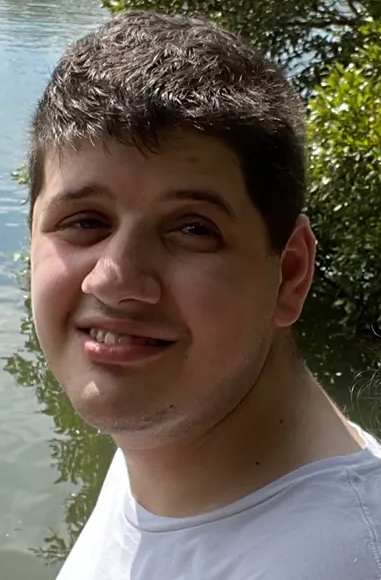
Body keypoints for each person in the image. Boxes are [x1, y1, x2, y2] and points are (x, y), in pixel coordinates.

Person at [26, 9, 381, 580]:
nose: (115, 279)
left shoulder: (342, 561)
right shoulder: (164, 443)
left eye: (193, 229)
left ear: (290, 273)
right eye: (85, 221)